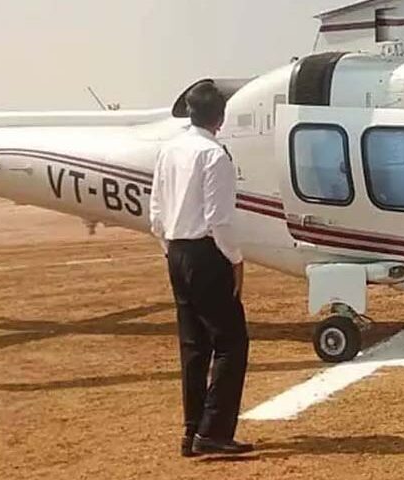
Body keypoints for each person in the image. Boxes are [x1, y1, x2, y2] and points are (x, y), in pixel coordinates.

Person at [149, 81, 253, 456]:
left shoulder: (169, 150)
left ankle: (191, 430)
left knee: (193, 346)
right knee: (231, 343)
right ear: (220, 118)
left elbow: (156, 214)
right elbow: (218, 219)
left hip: (177, 250)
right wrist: (235, 259)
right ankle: (214, 431)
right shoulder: (214, 155)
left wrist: (171, 250)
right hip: (206, 253)